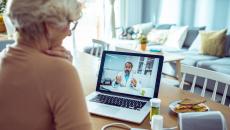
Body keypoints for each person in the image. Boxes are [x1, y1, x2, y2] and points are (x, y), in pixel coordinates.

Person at [0, 0, 92, 130]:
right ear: (48, 25)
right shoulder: (61, 72)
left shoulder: (3, 58)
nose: (69, 32)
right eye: (69, 23)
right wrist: (63, 70)